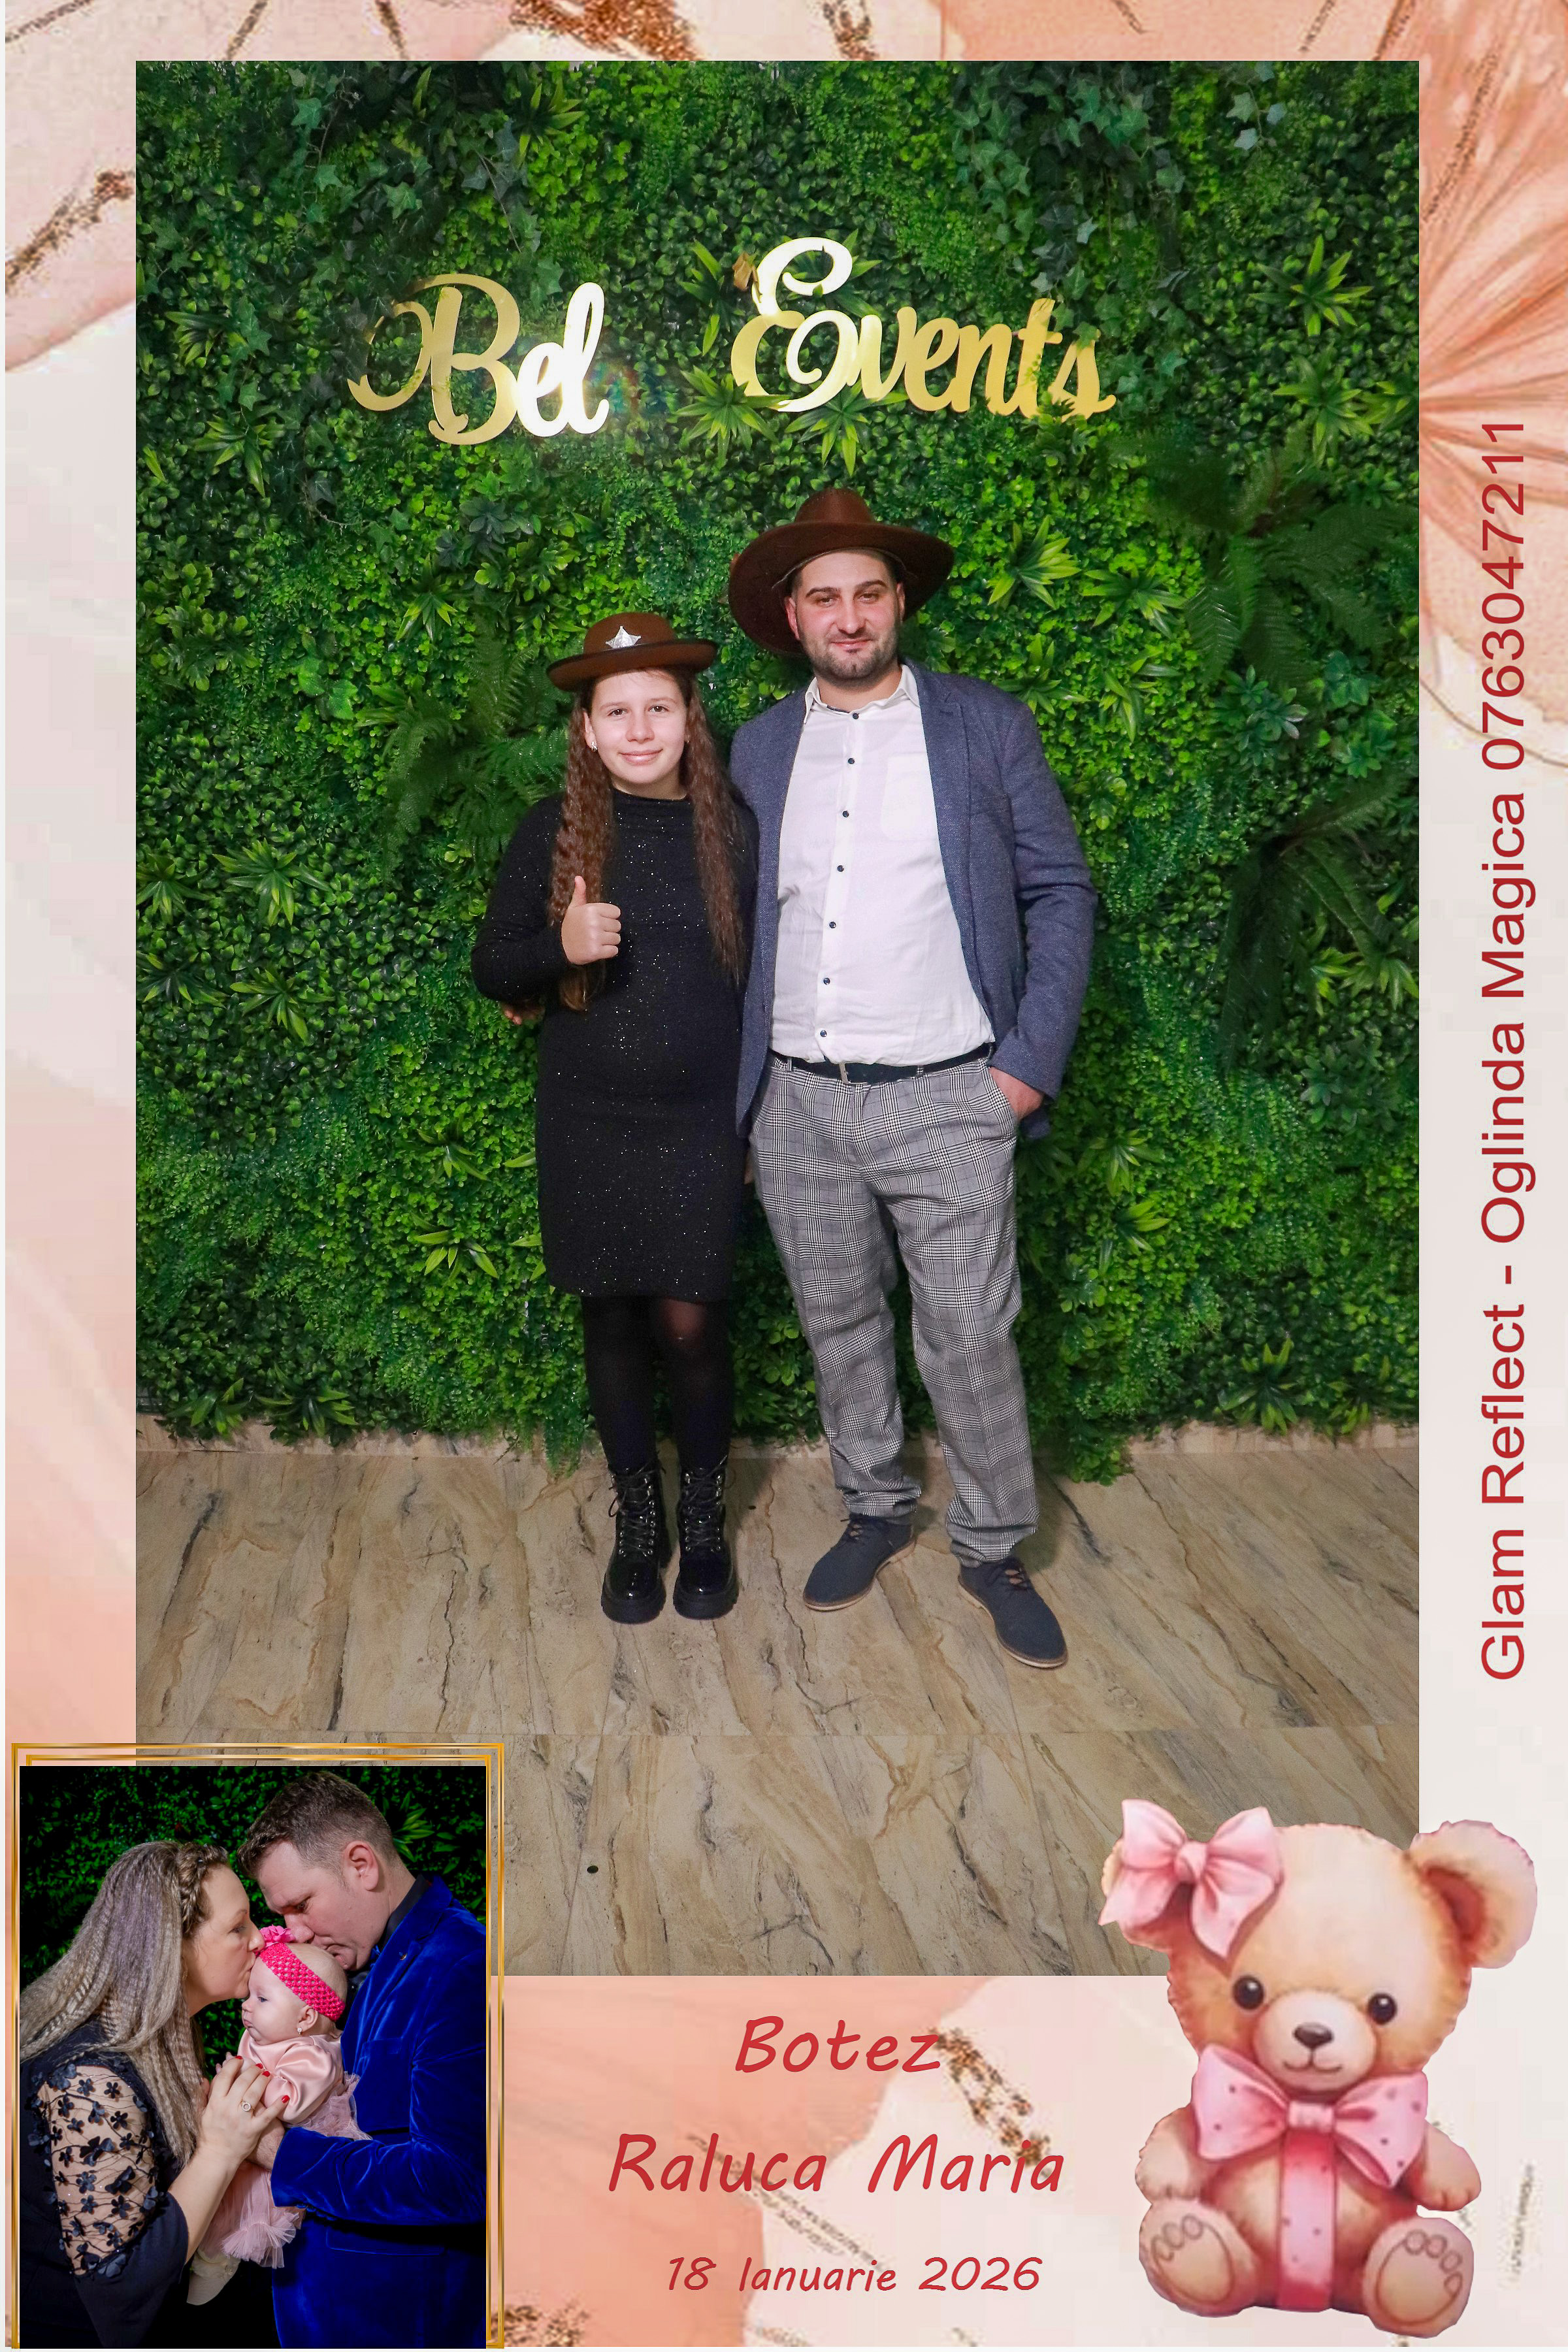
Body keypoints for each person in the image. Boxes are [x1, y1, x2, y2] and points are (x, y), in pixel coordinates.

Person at [726, 486, 1096, 1669]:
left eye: (868, 594)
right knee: (836, 1322)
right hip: (799, 1098)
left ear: (900, 604)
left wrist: (1024, 1072)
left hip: (953, 1092)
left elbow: (1061, 891)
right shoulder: (759, 746)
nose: (849, 616)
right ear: (794, 617)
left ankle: (991, 1545)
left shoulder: (986, 726)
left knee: (972, 1332)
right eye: (825, 598)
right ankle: (876, 1506)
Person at [472, 612, 760, 1625]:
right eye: (618, 711)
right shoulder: (551, 831)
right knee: (613, 1318)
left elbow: (765, 985)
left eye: (660, 708)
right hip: (589, 1119)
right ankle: (640, 1524)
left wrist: (753, 1122)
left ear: (689, 720)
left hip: (701, 1123)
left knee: (692, 1323)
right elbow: (492, 966)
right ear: (587, 730)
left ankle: (705, 1519)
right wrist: (560, 944)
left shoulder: (733, 832)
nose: (640, 729)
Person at [236, 1772, 486, 2349]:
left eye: (301, 1905)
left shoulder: (461, 1966)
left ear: (361, 1865)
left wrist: (279, 2151)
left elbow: (458, 2181)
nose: (293, 1932)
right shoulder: (376, 1963)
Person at [18, 1839, 277, 2347]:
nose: (259, 1940)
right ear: (173, 1948)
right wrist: (220, 2151)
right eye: (238, 1927)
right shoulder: (90, 2082)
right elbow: (119, 2294)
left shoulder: (160, 2042)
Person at [197, 1930, 361, 2281]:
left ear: (305, 2019)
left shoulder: (313, 2055)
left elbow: (289, 2105)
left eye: (262, 1998)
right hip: (247, 2140)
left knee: (244, 2209)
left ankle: (218, 2263)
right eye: (250, 1995)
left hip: (281, 2157)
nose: (246, 2005)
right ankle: (206, 2253)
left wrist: (239, 2085)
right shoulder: (264, 2035)